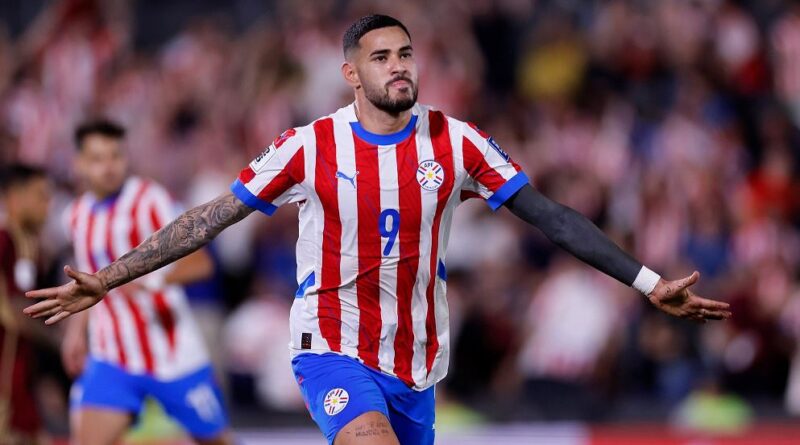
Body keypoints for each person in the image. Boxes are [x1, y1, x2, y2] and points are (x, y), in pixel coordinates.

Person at [25, 15, 731, 445]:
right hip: (330, 345)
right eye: (382, 58)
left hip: (416, 362)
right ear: (350, 74)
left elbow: (549, 215)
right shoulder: (307, 146)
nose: (399, 67)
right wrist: (110, 277)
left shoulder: (456, 143)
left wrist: (646, 281)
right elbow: (211, 218)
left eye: (406, 55)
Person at [56, 120, 232, 445]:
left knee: (218, 440)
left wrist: (150, 281)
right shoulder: (77, 215)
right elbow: (85, 275)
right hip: (112, 358)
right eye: (97, 159)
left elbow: (200, 263)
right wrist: (75, 334)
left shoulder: (150, 200)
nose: (108, 167)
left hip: (172, 354)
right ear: (78, 163)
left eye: (115, 156)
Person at [0, 164, 56, 445]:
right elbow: (12, 310)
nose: (47, 205)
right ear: (15, 196)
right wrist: (57, 340)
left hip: (23, 371)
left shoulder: (34, 248)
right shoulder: (3, 240)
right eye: (40, 196)